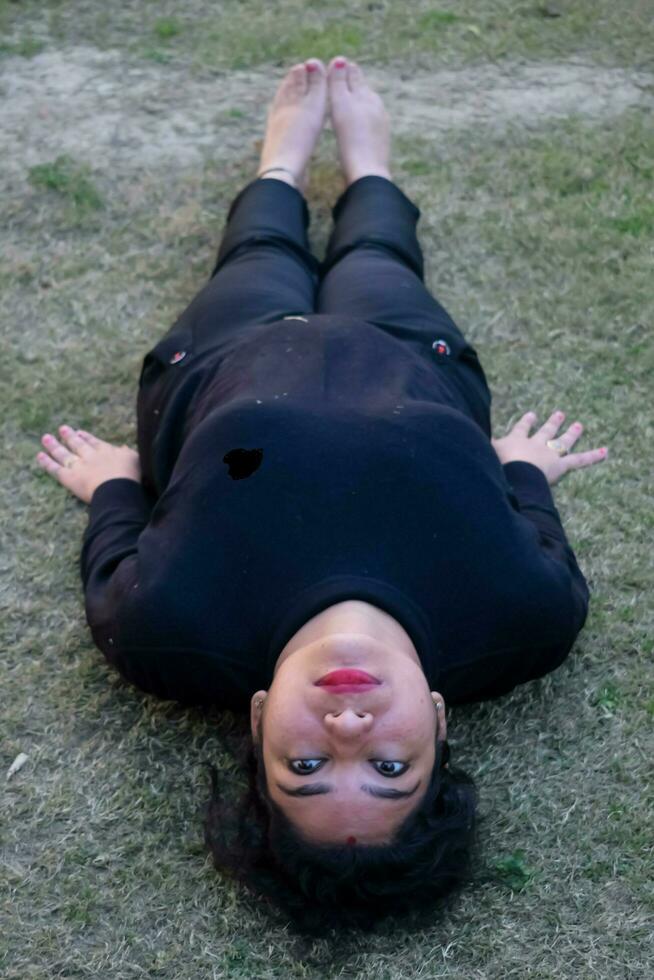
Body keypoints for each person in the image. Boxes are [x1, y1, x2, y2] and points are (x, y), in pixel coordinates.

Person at [35, 56, 608, 933]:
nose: (347, 727)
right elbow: (539, 537)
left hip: (224, 363)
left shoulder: (170, 629)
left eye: (303, 767)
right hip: (410, 360)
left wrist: (114, 483)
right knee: (377, 252)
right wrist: (523, 469)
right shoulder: (524, 619)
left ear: (260, 722)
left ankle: (282, 163)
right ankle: (369, 164)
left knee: (260, 251)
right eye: (388, 769)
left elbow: (115, 564)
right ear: (441, 725)